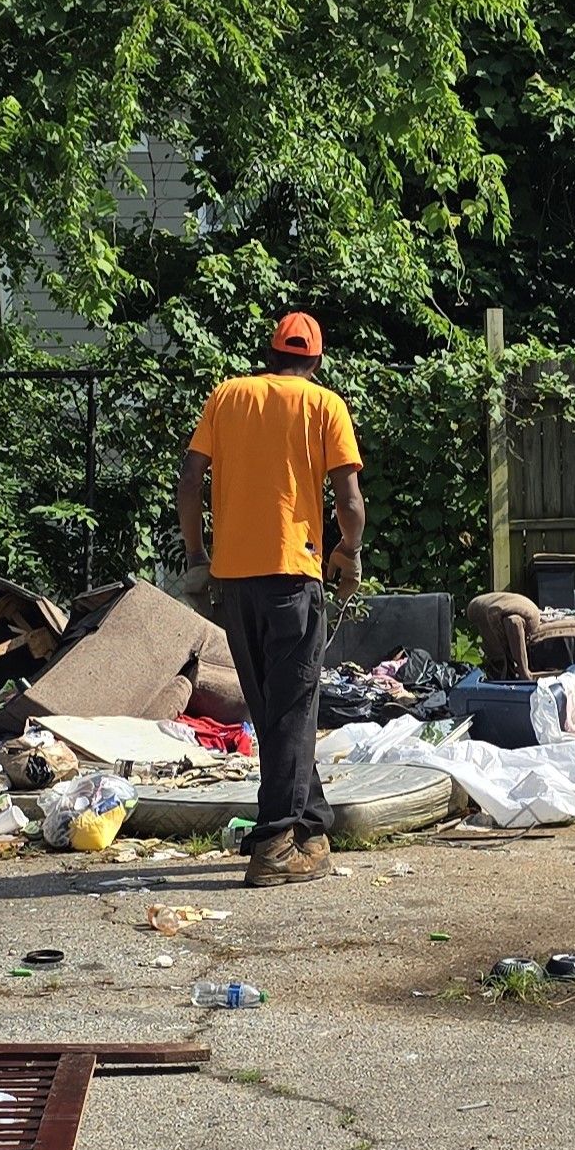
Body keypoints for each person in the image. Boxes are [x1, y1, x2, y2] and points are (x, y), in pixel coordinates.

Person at [176, 312, 366, 888]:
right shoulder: (324, 405)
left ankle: (312, 825)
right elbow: (350, 502)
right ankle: (275, 843)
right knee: (292, 710)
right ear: (317, 358)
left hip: (235, 581)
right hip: (293, 576)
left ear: (271, 351)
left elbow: (190, 484)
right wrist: (349, 554)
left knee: (274, 709)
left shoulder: (228, 396)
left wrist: (197, 556)